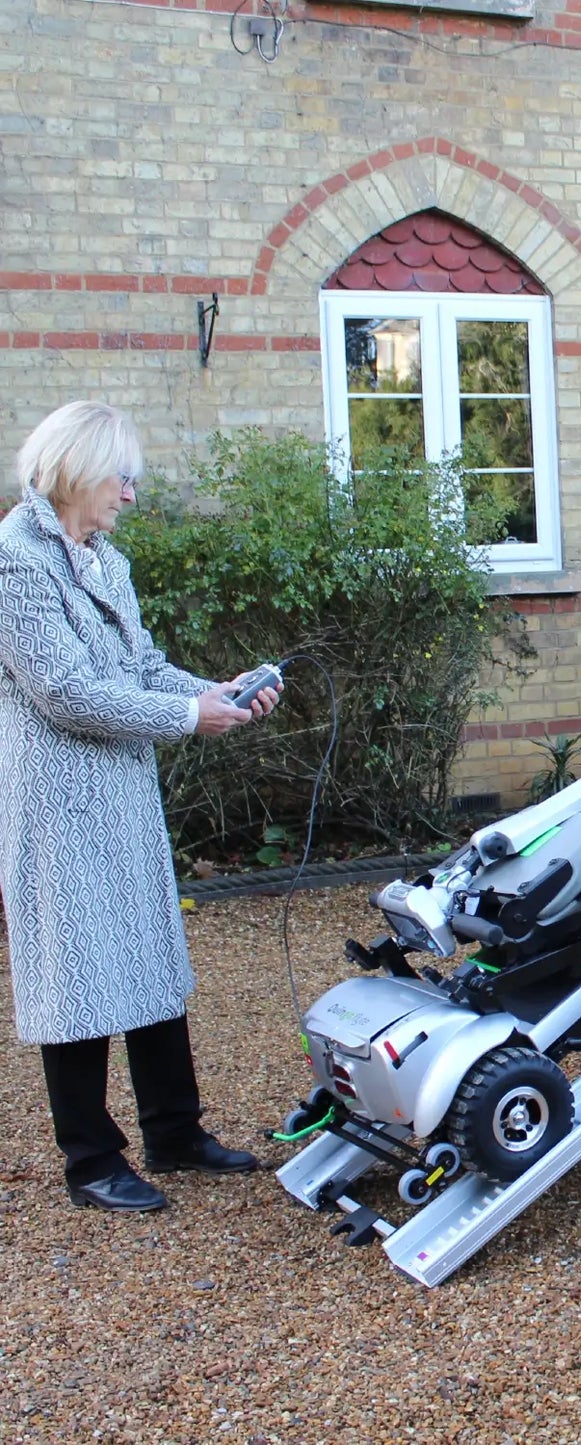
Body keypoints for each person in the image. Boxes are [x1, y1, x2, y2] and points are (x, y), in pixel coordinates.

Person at [0, 400, 281, 1213]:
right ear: (78, 468)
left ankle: (174, 1131)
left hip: (121, 792)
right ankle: (91, 1162)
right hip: (56, 804)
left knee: (150, 952)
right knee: (79, 973)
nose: (129, 493)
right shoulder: (16, 558)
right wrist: (189, 717)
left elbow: (141, 665)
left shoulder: (105, 560)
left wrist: (216, 691)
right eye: (122, 476)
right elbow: (64, 692)